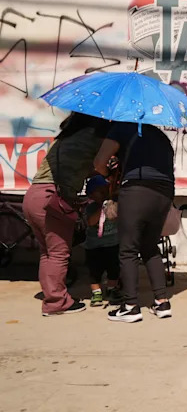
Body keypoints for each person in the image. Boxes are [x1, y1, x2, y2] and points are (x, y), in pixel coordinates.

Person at [23, 112, 110, 316]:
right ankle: (56, 303)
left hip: (34, 195)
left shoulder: (66, 137)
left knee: (47, 252)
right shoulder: (94, 136)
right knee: (59, 253)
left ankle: (54, 296)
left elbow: (78, 168)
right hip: (52, 198)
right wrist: (108, 171)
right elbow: (101, 165)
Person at [94, 119, 176, 323]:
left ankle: (130, 306)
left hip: (137, 190)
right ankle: (162, 302)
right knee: (150, 247)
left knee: (128, 249)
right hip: (164, 192)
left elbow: (99, 162)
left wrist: (109, 174)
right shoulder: (160, 136)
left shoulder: (121, 128)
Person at [82, 175, 121, 307]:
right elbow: (91, 222)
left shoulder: (112, 204)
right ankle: (96, 292)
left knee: (114, 269)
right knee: (94, 271)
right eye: (100, 191)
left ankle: (112, 288)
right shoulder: (90, 207)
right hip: (94, 246)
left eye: (106, 189)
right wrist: (101, 209)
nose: (104, 193)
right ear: (91, 194)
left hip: (112, 243)